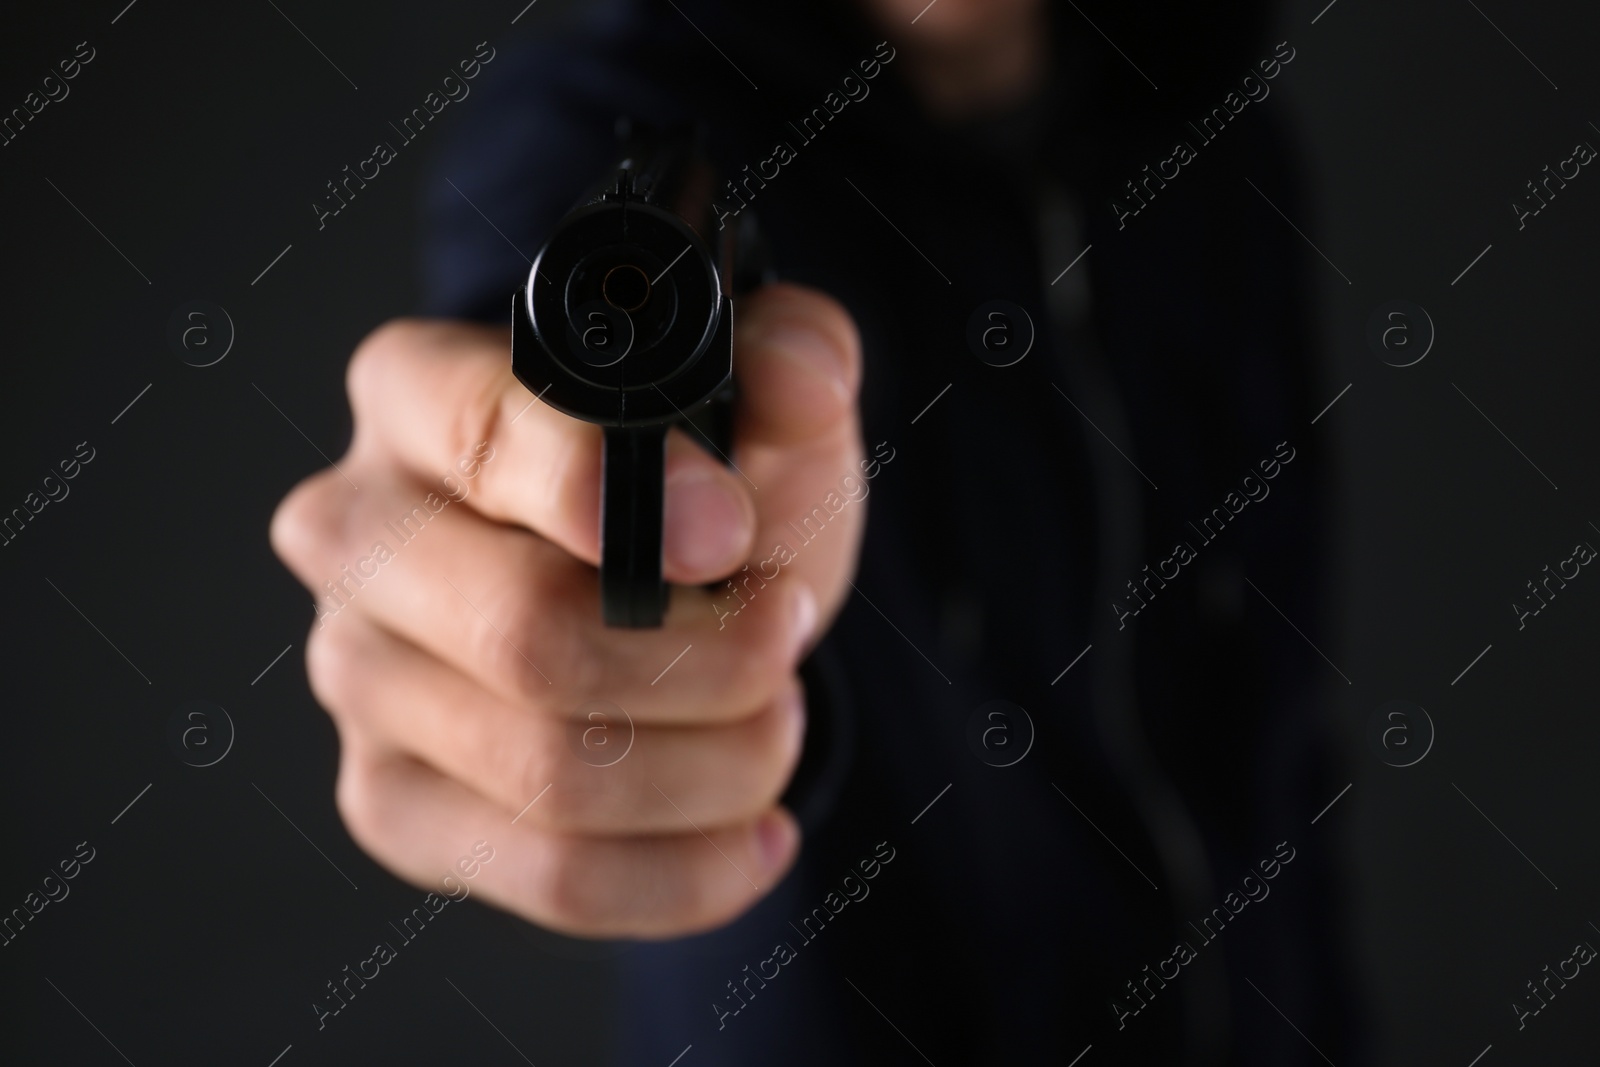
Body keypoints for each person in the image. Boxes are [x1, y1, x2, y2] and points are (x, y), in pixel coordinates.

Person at [271, 0, 1358, 1061]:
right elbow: (536, 347)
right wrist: (535, 563)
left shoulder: (1224, 139)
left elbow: (1277, 693)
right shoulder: (607, 114)